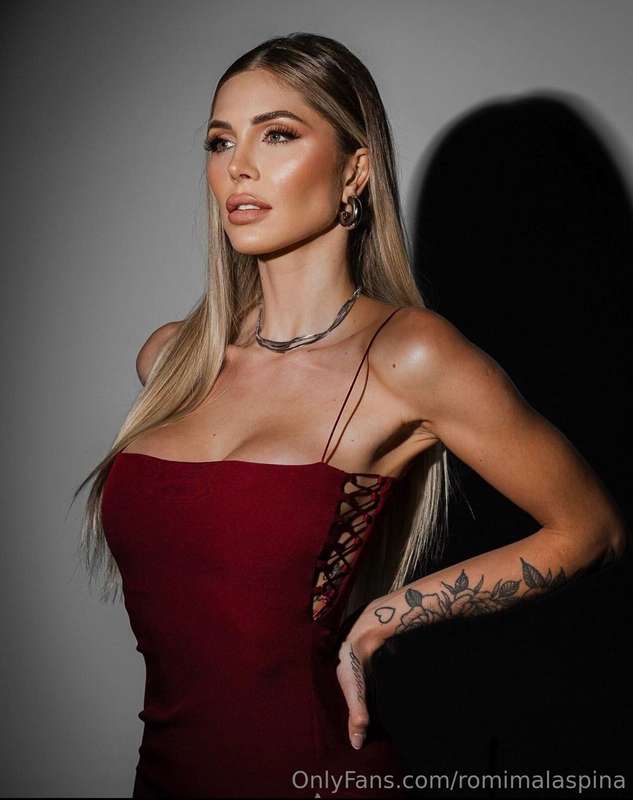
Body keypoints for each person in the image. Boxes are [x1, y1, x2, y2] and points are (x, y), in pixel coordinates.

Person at [72, 32, 628, 799]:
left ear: (354, 170)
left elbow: (591, 528)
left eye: (277, 134)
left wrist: (391, 614)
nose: (238, 166)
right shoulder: (173, 360)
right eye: (219, 141)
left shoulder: (409, 356)